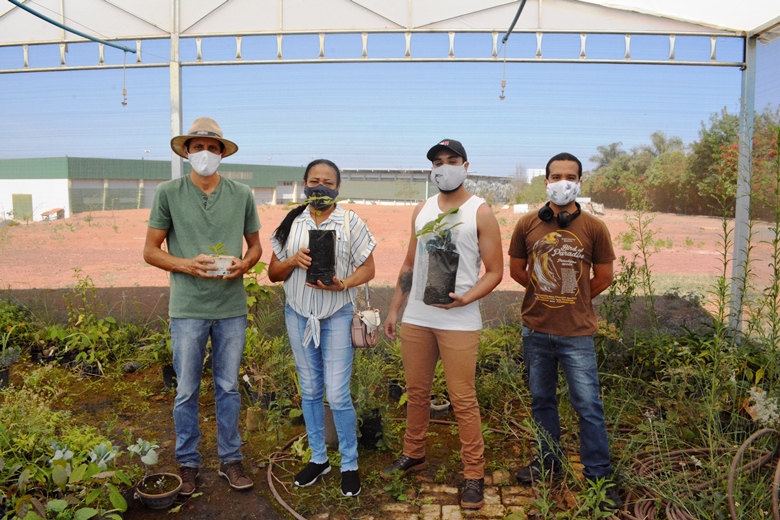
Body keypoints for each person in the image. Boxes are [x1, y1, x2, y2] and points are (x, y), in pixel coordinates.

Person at [381, 139, 503, 510]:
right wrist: (394, 309)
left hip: (459, 320)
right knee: (416, 391)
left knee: (462, 398)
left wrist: (467, 297)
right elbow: (409, 264)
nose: (443, 166)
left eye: (451, 160)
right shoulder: (422, 209)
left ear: (466, 166)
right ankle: (413, 453)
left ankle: (473, 474)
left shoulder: (480, 212)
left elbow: (496, 271)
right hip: (418, 317)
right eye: (437, 161)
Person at [143, 117, 262, 496]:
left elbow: (256, 246)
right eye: (198, 147)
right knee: (186, 389)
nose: (205, 154)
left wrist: (246, 263)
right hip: (188, 307)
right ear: (186, 152)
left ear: (222, 153)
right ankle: (188, 463)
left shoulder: (242, 194)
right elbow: (150, 251)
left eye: (213, 148)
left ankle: (230, 458)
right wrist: (185, 264)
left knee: (228, 387)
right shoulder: (168, 193)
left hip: (231, 306)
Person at [508, 152, 622, 510]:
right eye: (555, 176)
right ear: (546, 182)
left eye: (569, 176)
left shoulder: (594, 228)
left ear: (579, 183)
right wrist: (546, 289)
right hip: (536, 331)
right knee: (542, 402)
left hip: (577, 335)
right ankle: (548, 463)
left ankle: (599, 477)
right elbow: (516, 269)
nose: (562, 182)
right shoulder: (527, 224)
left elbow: (603, 277)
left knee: (588, 406)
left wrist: (573, 294)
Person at [268, 159, 376, 497]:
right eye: (314, 181)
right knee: (311, 391)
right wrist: (291, 261)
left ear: (338, 188)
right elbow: (273, 273)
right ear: (304, 185)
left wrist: (343, 284)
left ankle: (349, 463)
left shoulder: (350, 222)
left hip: (337, 316)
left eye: (328, 182)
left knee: (337, 393)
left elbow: (369, 269)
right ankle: (318, 458)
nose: (321, 187)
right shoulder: (291, 223)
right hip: (298, 315)